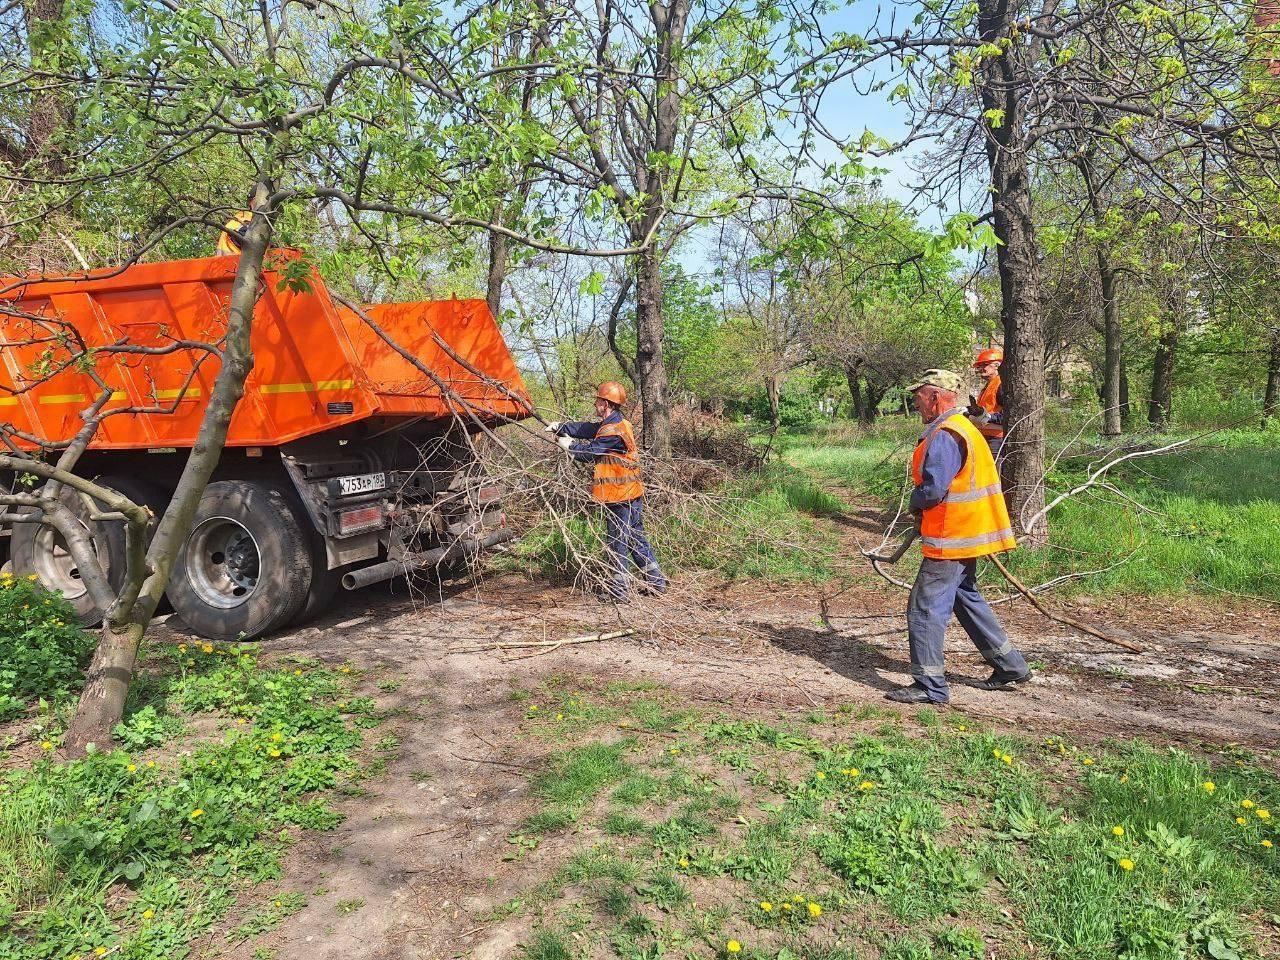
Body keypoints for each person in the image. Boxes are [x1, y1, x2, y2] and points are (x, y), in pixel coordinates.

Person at [886, 368, 1032, 705]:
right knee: (965, 596)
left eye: (918, 395)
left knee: (924, 607)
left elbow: (934, 489)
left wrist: (915, 501)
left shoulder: (946, 434)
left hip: (951, 536)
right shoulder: (963, 428)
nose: (915, 402)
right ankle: (1010, 665)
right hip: (968, 533)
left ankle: (930, 685)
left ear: (935, 397)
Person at [546, 382, 668, 602]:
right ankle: (656, 582)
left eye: (597, 401)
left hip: (620, 495)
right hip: (629, 493)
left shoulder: (612, 431)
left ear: (605, 403)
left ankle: (619, 592)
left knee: (617, 542)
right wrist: (561, 427)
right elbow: (588, 429)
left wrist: (570, 447)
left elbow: (592, 452)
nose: (595, 404)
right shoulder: (615, 423)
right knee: (634, 538)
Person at [966, 347, 1006, 459]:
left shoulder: (1001, 384)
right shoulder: (989, 386)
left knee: (993, 474)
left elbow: (1008, 415)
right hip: (984, 436)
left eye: (985, 364)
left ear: (997, 365)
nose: (981, 368)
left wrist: (987, 417)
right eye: (980, 366)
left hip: (996, 440)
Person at [215, 190, 256, 256]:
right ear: (254, 200)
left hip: (225, 263)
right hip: (234, 262)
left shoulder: (239, 218)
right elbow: (251, 239)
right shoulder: (246, 219)